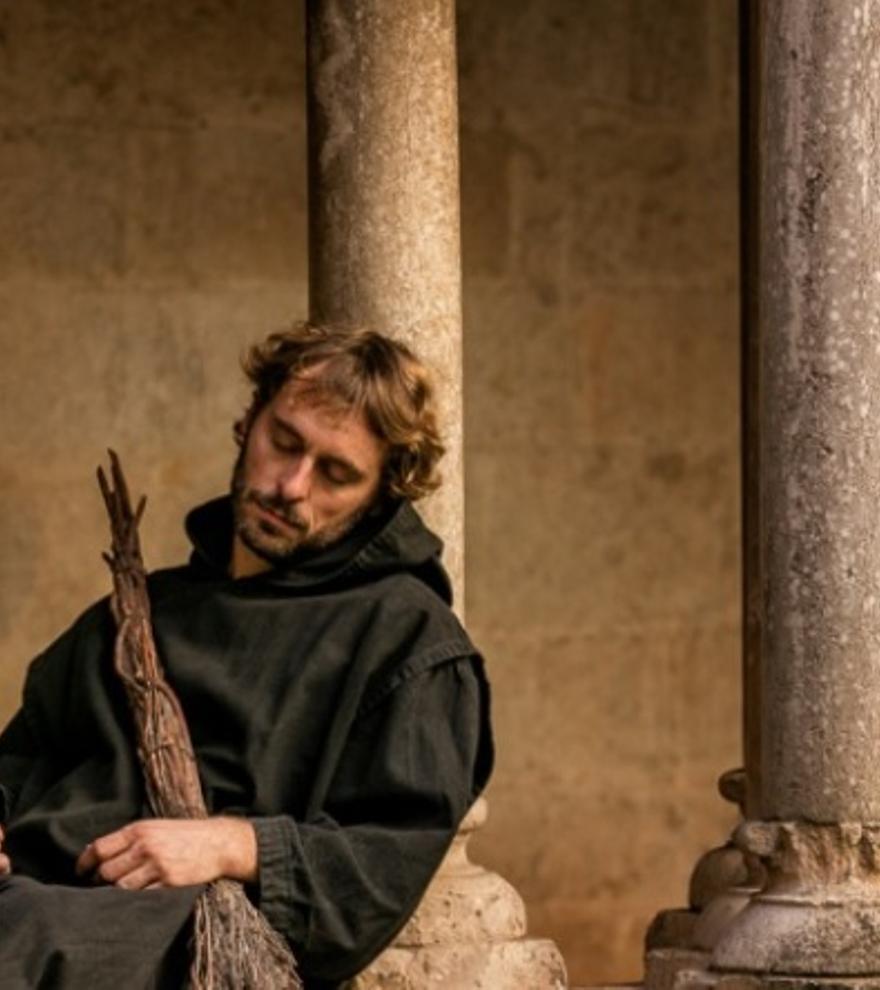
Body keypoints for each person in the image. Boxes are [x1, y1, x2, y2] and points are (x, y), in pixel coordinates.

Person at [0, 322, 493, 989]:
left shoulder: (407, 641)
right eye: (283, 441)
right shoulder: (143, 611)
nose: (292, 485)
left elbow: (386, 860)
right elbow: (27, 754)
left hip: (163, 931)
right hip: (33, 887)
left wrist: (235, 845)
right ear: (248, 422)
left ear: (380, 495)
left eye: (337, 474)